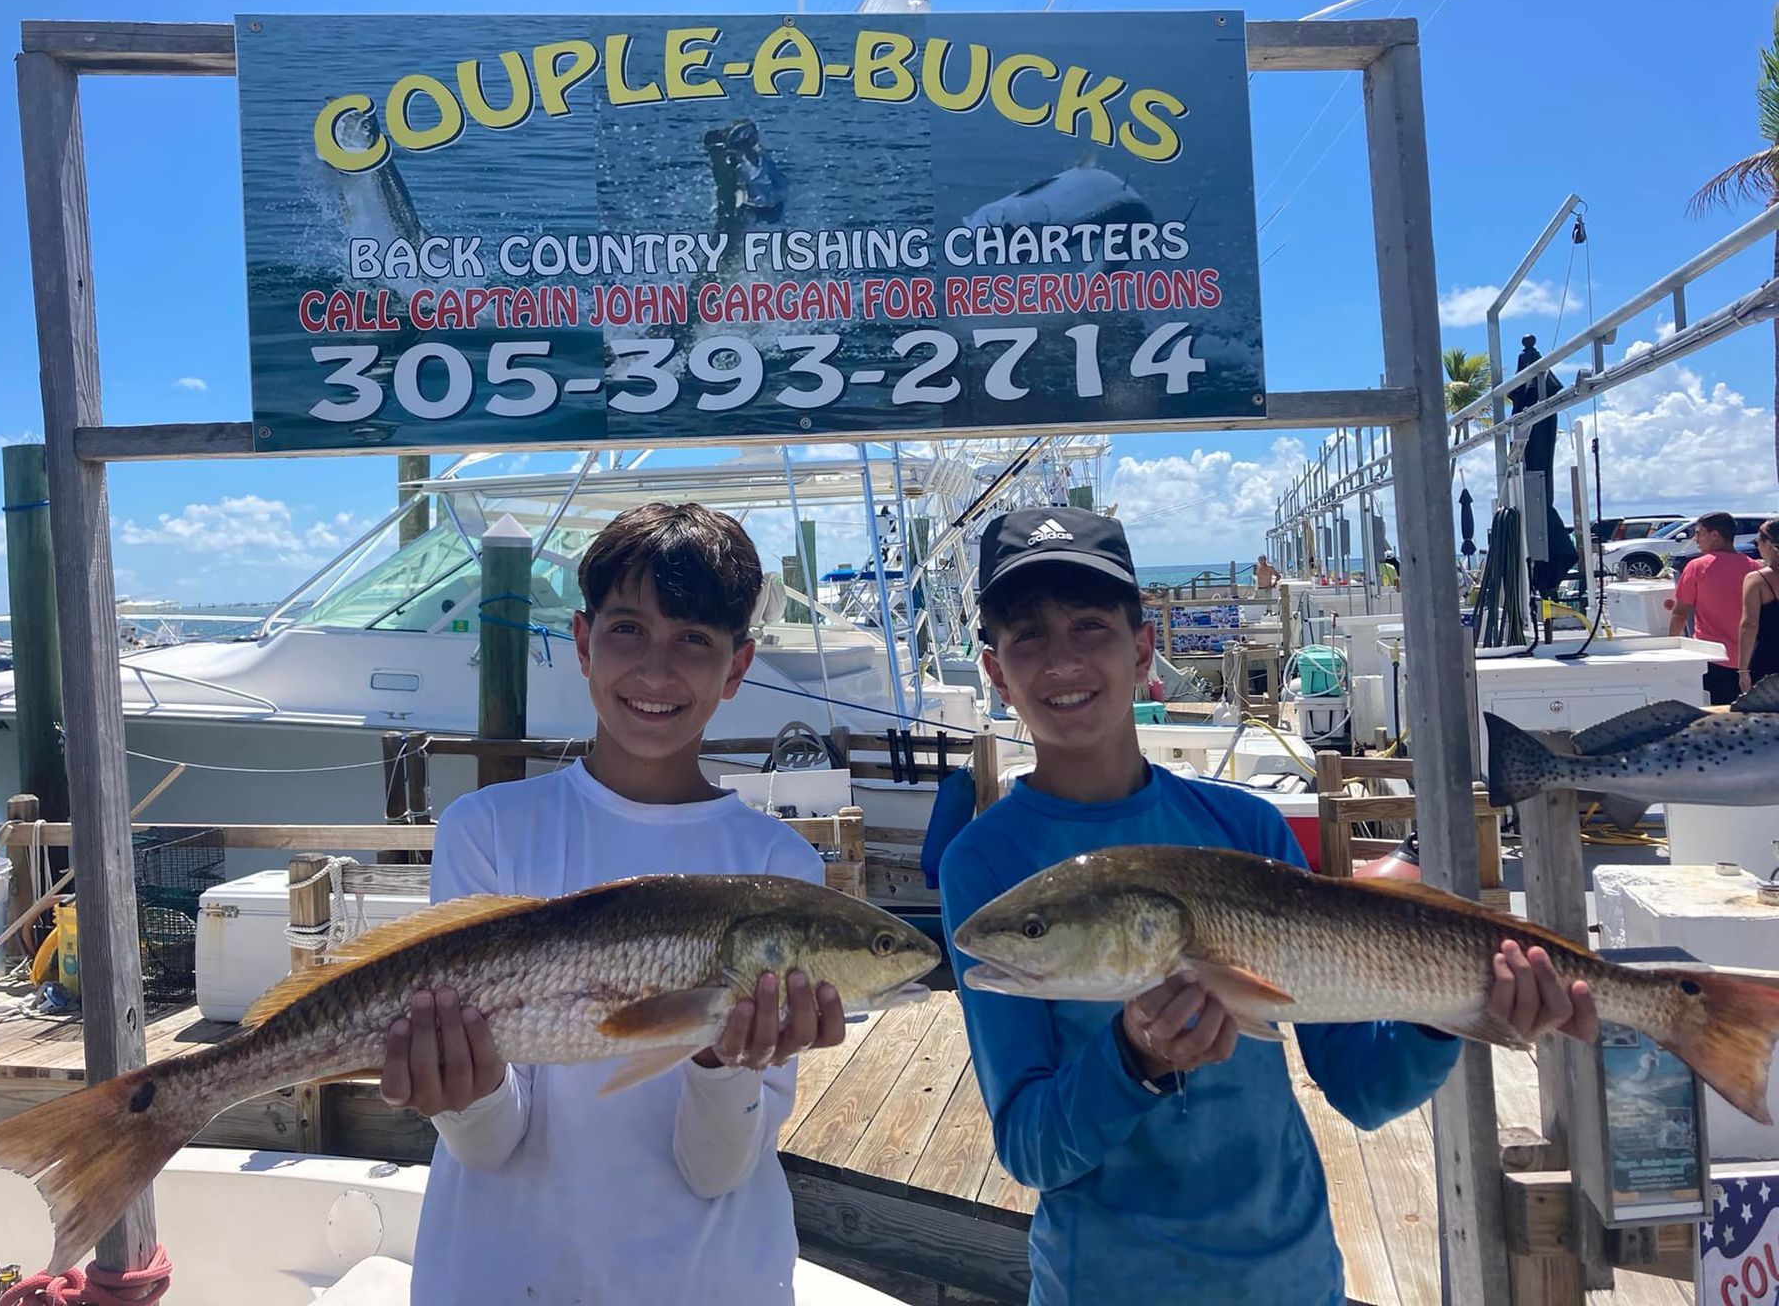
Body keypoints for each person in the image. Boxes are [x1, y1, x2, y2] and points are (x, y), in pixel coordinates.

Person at [938, 505, 1598, 1306]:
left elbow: (1360, 1085)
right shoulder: (985, 864)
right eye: (1027, 637)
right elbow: (1030, 1147)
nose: (1062, 660)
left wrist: (1443, 1016)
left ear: (1143, 647)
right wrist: (1133, 1061)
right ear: (996, 672)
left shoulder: (1244, 826)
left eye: (1090, 626)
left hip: (1292, 1276)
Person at [384, 503, 846, 1305]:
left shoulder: (779, 866)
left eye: (694, 640)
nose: (657, 671)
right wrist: (461, 1091)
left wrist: (723, 1060)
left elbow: (717, 1171)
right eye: (629, 630)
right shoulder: (487, 830)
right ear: (584, 642)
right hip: (496, 1277)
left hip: (711, 1280)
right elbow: (491, 1146)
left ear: (737, 668)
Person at [1669, 511, 1759, 704]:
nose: (1695, 539)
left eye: (1699, 533)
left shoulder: (1696, 567)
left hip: (1712, 657)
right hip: (1750, 659)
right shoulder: (1755, 569)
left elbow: (1680, 612)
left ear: (1715, 535)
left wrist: (1670, 649)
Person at [1737, 517, 1779, 691]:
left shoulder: (1758, 579)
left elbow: (1749, 625)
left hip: (1770, 658)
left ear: (1768, 544)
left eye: (1757, 541)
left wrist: (1743, 670)